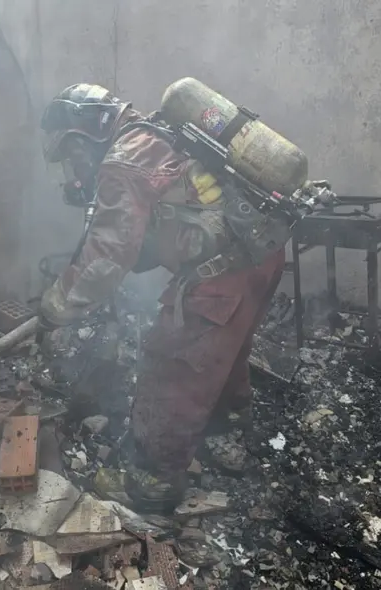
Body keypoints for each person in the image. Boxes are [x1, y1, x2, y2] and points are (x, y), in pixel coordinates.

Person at [37, 83, 285, 513]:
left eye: (72, 155)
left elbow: (106, 256)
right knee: (224, 352)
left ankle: (152, 480)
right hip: (263, 254)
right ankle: (226, 432)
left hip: (222, 276)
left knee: (171, 363)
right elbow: (158, 229)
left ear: (88, 134)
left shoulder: (122, 162)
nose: (74, 170)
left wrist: (54, 307)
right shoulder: (157, 132)